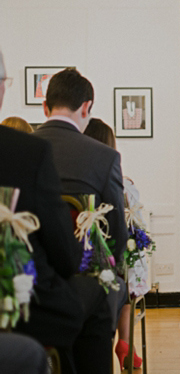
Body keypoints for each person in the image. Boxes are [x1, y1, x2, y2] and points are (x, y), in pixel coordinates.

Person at [0, 50, 112, 374]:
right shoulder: (27, 152)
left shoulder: (33, 143)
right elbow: (65, 254)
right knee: (94, 295)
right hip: (21, 302)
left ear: (46, 107)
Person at [33, 68, 128, 341]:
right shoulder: (104, 157)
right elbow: (117, 237)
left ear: (45, 107)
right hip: (84, 280)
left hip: (29, 279)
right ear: (86, 107)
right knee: (108, 291)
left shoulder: (21, 149)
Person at [83, 117, 143, 370]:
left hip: (82, 259)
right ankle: (127, 343)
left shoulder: (78, 182)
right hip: (114, 263)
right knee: (125, 267)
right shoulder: (123, 185)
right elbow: (134, 223)